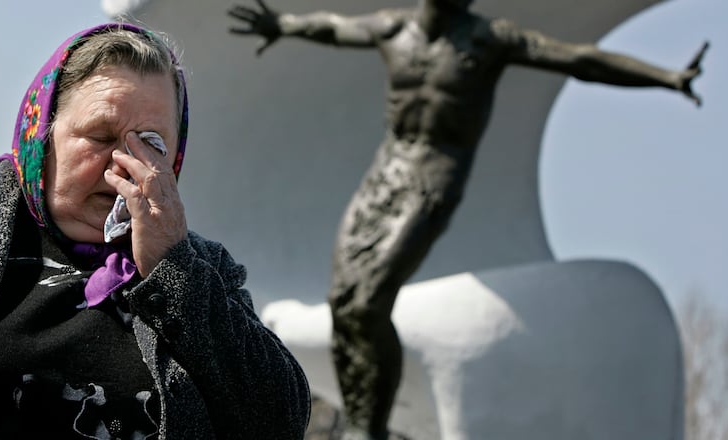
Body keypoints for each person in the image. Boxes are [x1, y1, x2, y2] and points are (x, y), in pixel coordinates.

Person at [228, 1, 708, 439]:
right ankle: (361, 418)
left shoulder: (488, 40)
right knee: (344, 302)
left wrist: (666, 76)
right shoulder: (394, 27)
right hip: (385, 176)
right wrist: (282, 24)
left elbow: (580, 59)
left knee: (370, 299)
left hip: (433, 178)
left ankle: (368, 428)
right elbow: (334, 27)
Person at [0, 23, 310, 439]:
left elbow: (280, 421)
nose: (123, 164)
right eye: (100, 136)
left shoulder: (202, 268)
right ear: (42, 134)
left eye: (152, 144)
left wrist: (172, 269)